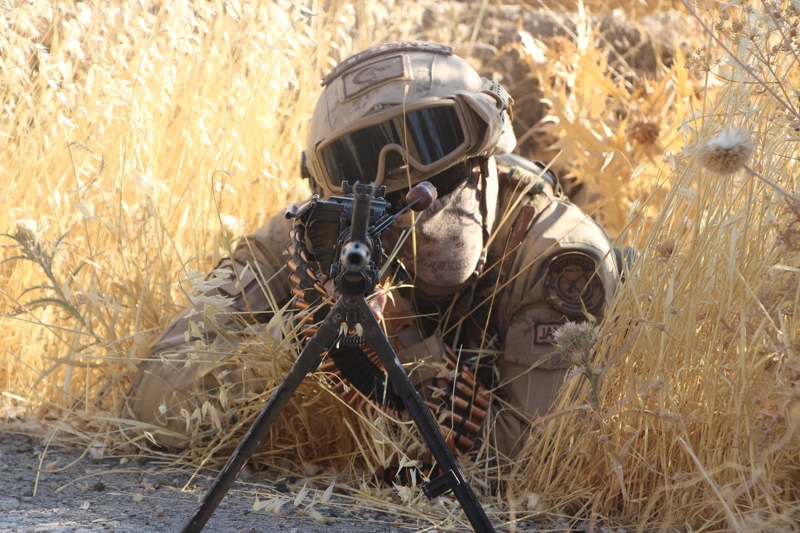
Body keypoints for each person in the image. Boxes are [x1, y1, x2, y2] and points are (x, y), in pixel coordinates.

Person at [122, 41, 621, 462]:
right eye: (362, 160)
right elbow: (152, 409)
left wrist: (403, 338)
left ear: (485, 150)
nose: (406, 178)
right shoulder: (305, 244)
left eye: (428, 140)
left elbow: (546, 457)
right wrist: (297, 333)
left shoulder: (555, 255)